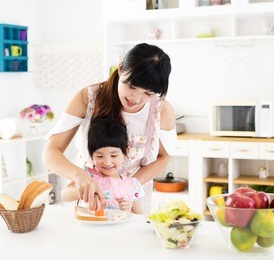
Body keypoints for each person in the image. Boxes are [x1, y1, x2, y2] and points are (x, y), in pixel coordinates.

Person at [42, 43, 177, 213]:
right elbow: (50, 152)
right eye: (132, 86)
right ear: (120, 68)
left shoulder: (161, 110)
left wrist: (129, 185)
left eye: (148, 93)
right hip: (88, 199)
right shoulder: (89, 98)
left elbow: (164, 157)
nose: (136, 98)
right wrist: (79, 176)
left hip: (130, 202)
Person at [61, 118, 144, 214]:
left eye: (114, 155)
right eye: (100, 156)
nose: (107, 162)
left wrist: (128, 210)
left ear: (126, 152)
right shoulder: (88, 175)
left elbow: (139, 218)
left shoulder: (132, 185)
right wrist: (87, 193)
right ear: (91, 155)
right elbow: (65, 194)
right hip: (91, 227)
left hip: (119, 229)